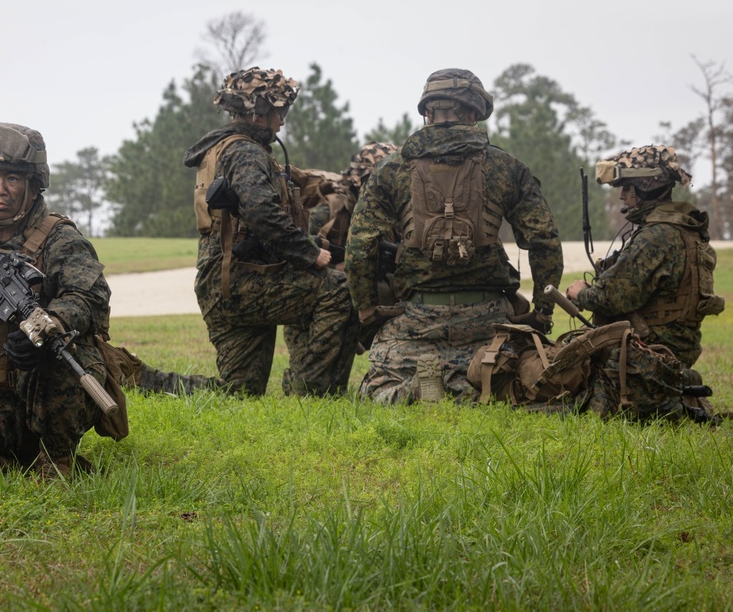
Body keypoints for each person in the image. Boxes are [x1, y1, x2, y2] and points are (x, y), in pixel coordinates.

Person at [0, 122, 213, 475]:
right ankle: (21, 457)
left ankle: (57, 460)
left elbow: (91, 296)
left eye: (13, 180)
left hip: (50, 388)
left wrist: (51, 323)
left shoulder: (59, 238)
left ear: (33, 186)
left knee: (59, 358)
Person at [345, 68, 564, 404]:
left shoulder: (391, 169)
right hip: (489, 320)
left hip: (416, 321)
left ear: (428, 112)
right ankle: (469, 389)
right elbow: (544, 240)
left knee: (373, 390)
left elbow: (360, 247)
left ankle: (413, 390)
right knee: (510, 378)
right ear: (474, 112)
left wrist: (366, 311)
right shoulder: (506, 167)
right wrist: (543, 311)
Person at [184, 67, 359, 397]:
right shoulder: (245, 152)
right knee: (338, 291)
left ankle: (139, 379)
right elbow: (261, 212)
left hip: (221, 282)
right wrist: (309, 254)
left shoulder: (225, 148)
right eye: (280, 111)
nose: (282, 121)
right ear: (259, 113)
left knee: (239, 392)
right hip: (239, 281)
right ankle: (311, 396)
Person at [566, 144, 725, 369]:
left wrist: (580, 293)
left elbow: (611, 298)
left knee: (554, 374)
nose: (621, 196)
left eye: (627, 188)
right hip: (669, 352)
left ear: (646, 186)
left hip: (647, 357)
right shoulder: (681, 227)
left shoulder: (656, 236)